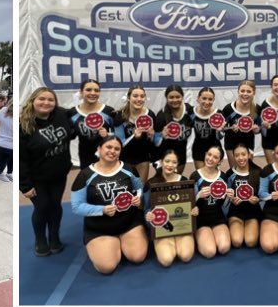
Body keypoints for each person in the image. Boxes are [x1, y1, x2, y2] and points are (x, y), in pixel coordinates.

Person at [71, 136, 147, 274]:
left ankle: (122, 243)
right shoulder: (85, 175)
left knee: (138, 257)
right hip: (99, 227)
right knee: (107, 267)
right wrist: (102, 210)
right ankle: (110, 245)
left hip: (129, 222)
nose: (112, 151)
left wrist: (137, 197)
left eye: (117, 148)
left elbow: (139, 188)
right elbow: (77, 206)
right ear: (99, 149)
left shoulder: (129, 169)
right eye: (108, 147)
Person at [19, 88, 75, 255]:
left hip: (59, 174)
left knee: (55, 205)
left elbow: (74, 129)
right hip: (37, 177)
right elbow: (21, 159)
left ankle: (54, 237)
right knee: (42, 207)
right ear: (33, 101)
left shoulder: (62, 115)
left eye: (50, 100)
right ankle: (40, 239)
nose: (46, 103)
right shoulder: (24, 125)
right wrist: (25, 185)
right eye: (41, 99)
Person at [146, 151, 195, 266]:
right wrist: (148, 216)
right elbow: (147, 209)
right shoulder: (151, 183)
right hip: (161, 228)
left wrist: (193, 211)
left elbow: (191, 205)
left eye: (174, 162)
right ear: (162, 162)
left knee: (186, 256)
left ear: (177, 165)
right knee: (166, 260)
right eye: (167, 161)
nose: (170, 165)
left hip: (182, 226)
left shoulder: (185, 181)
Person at [190, 147, 231, 258]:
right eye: (209, 154)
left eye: (215, 157)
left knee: (224, 247)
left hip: (218, 217)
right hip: (201, 220)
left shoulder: (223, 177)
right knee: (210, 252)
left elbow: (225, 205)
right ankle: (198, 236)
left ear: (220, 161)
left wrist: (229, 197)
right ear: (205, 154)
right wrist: (199, 195)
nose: (211, 159)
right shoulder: (195, 176)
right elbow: (189, 205)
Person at [114, 86, 158, 182]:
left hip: (143, 157)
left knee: (140, 189)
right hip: (124, 157)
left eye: (142, 96)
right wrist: (133, 136)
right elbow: (119, 143)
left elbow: (155, 142)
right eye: (135, 96)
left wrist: (152, 136)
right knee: (126, 188)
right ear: (129, 98)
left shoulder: (150, 115)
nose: (139, 99)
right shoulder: (120, 117)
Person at [225, 144, 263, 248]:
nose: (240, 158)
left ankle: (256, 226)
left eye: (243, 154)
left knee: (250, 242)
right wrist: (231, 199)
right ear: (233, 156)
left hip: (253, 211)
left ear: (249, 155)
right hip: (236, 212)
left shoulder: (257, 172)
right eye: (237, 155)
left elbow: (263, 194)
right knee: (237, 242)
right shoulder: (229, 174)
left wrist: (257, 199)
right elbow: (225, 200)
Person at [71, 80, 115, 169]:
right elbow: (70, 136)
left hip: (107, 157)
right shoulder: (73, 113)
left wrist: (108, 135)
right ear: (81, 92)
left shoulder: (109, 112)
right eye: (88, 90)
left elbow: (118, 136)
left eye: (96, 90)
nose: (93, 93)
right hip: (85, 158)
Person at [153, 85, 194, 174]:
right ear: (166, 98)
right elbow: (155, 142)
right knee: (166, 184)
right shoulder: (161, 116)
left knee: (177, 183)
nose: (175, 100)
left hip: (181, 153)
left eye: (177, 97)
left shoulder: (189, 110)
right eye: (171, 97)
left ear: (182, 97)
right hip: (164, 155)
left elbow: (199, 120)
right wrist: (161, 135)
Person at [221, 81, 261, 162]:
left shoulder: (257, 109)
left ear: (254, 93)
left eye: (249, 91)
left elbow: (261, 128)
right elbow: (222, 128)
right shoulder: (229, 109)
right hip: (231, 143)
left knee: (247, 171)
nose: (245, 94)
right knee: (234, 172)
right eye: (242, 91)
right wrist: (230, 128)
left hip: (248, 143)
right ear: (238, 92)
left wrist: (257, 130)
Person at [190, 87, 224, 171]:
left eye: (210, 99)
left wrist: (220, 131)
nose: (207, 102)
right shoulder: (192, 113)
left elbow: (220, 137)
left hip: (215, 148)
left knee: (212, 175)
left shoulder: (218, 113)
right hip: (198, 148)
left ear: (213, 100)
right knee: (202, 175)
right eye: (204, 98)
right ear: (198, 98)